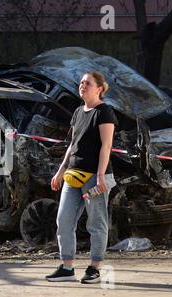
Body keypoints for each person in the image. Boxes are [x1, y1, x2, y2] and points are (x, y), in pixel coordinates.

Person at [46, 71, 118, 284]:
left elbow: (107, 146)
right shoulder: (78, 112)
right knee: (63, 220)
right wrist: (60, 171)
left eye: (88, 83)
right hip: (73, 175)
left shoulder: (104, 112)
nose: (83, 86)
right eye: (81, 83)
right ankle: (67, 268)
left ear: (99, 88)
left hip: (95, 177)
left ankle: (95, 268)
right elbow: (72, 144)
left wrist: (100, 176)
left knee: (96, 223)